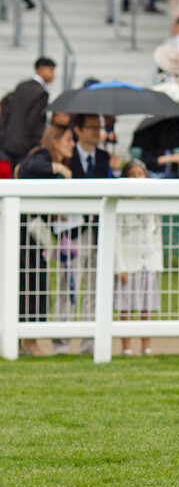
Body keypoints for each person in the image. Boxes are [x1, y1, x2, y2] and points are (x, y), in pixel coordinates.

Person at [51, 114, 114, 355]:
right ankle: (61, 344)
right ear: (77, 130)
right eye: (90, 127)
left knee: (94, 288)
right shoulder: (66, 155)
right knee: (68, 286)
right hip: (73, 232)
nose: (96, 132)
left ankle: (90, 343)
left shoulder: (104, 157)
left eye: (98, 127)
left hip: (99, 231)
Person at [15, 124, 75, 356]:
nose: (72, 144)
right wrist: (58, 167)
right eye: (68, 140)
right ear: (55, 141)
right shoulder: (41, 156)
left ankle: (30, 339)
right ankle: (29, 341)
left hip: (35, 238)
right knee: (32, 284)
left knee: (38, 284)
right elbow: (27, 168)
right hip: (26, 236)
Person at [114, 160, 163, 357]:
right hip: (129, 261)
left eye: (140, 174)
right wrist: (120, 266)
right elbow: (116, 235)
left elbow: (157, 234)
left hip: (148, 261)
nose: (137, 178)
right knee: (127, 307)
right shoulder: (121, 204)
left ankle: (146, 346)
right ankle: (126, 347)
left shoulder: (152, 204)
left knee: (147, 307)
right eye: (132, 174)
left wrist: (158, 263)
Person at [1, 57, 55, 169]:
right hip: (26, 145)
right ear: (41, 70)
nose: (53, 75)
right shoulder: (41, 93)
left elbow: (7, 112)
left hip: (9, 142)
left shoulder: (21, 86)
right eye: (51, 70)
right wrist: (36, 144)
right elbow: (34, 121)